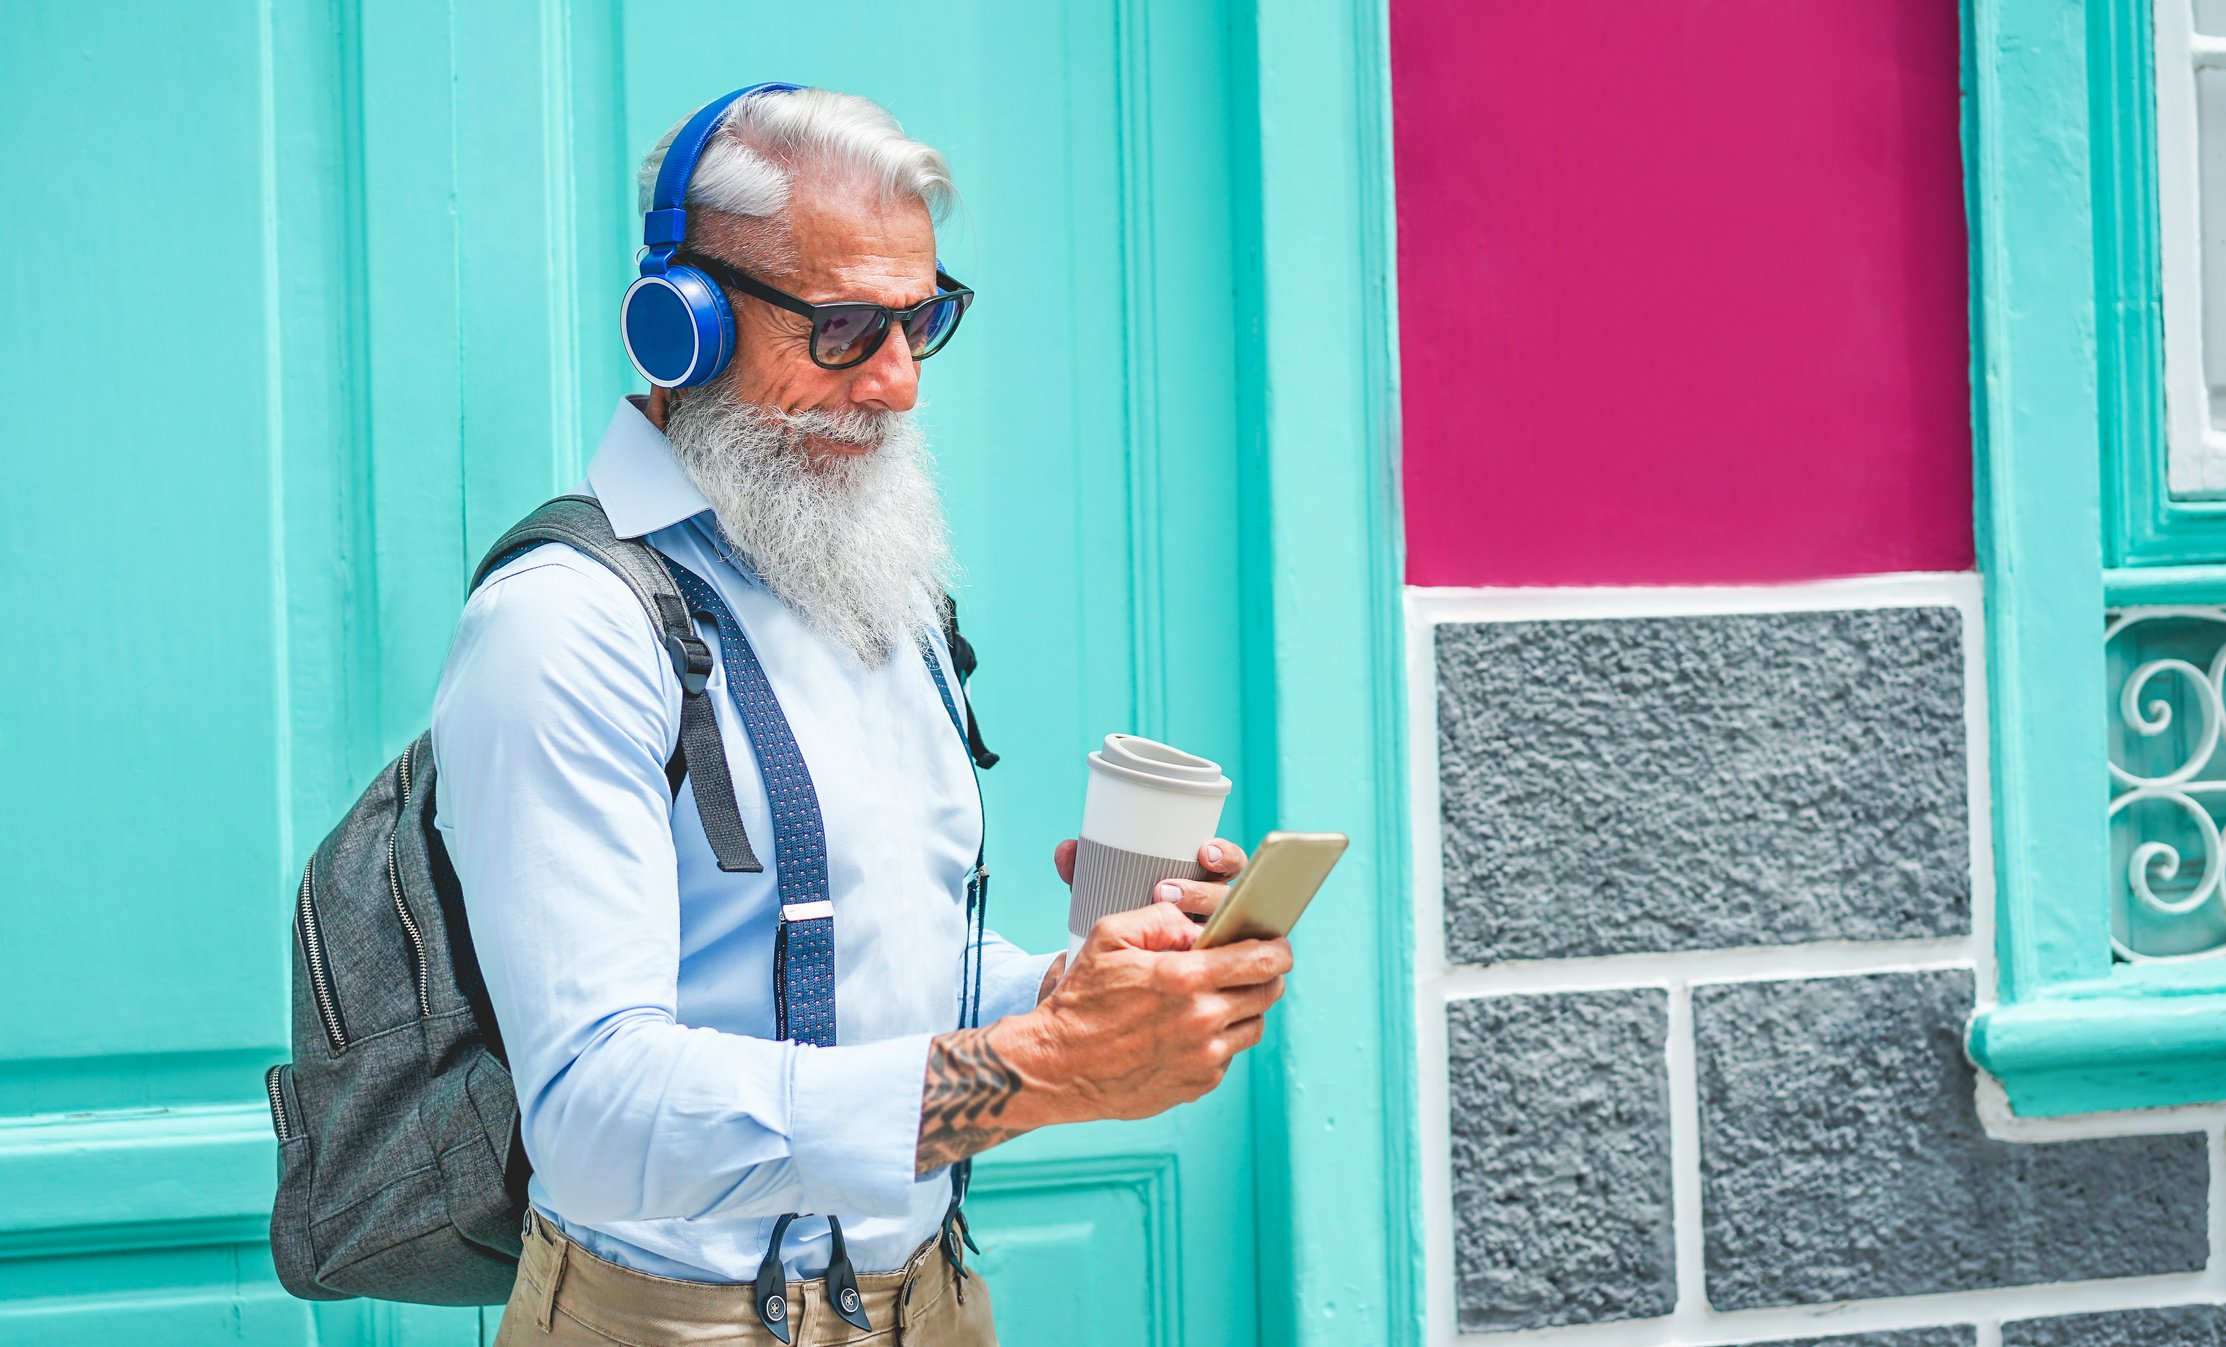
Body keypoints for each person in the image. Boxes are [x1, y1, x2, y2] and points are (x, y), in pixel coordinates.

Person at [431, 84, 1293, 1346]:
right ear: (683, 327)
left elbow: (883, 985)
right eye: (842, 327)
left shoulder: (877, 586)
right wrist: (1043, 1072)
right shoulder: (565, 626)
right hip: (668, 1324)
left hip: (931, 1300)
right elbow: (598, 1113)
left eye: (920, 319)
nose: (896, 384)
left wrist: (1087, 996)